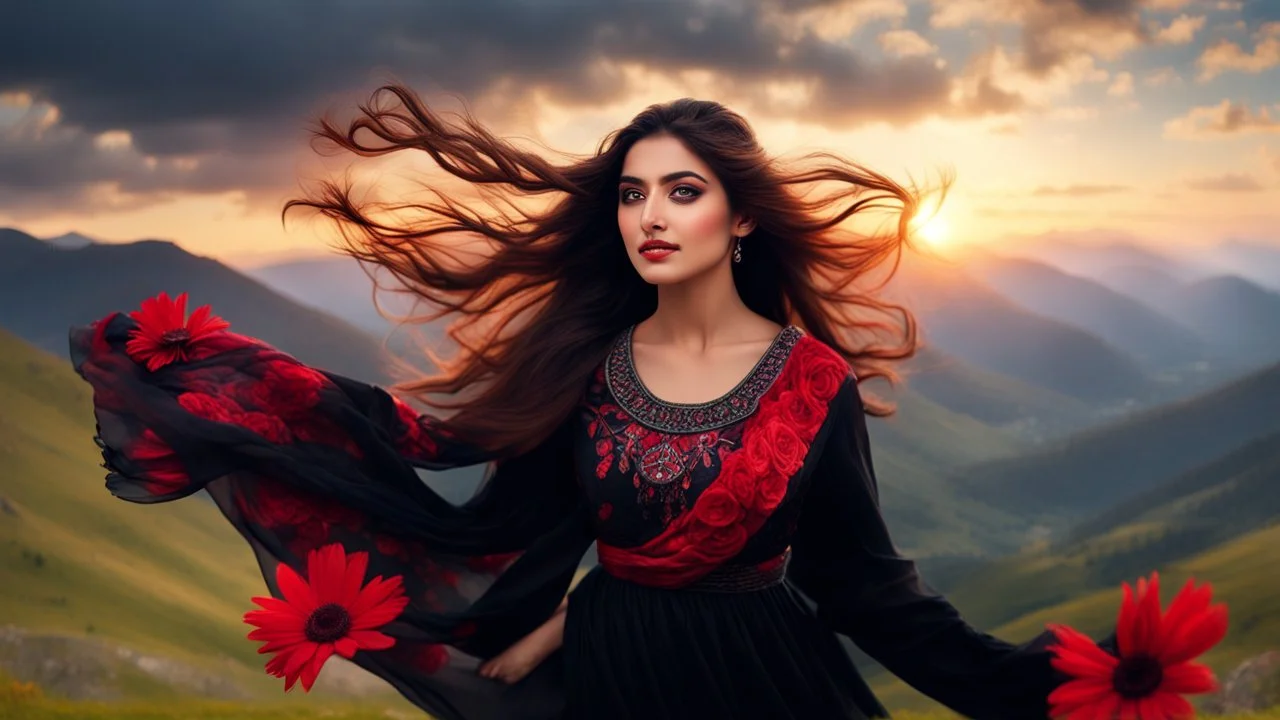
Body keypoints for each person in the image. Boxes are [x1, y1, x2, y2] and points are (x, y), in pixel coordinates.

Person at [72, 87, 1115, 720]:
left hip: (765, 682)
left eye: (681, 190)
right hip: (613, 685)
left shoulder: (812, 385)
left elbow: (867, 592)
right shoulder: (583, 369)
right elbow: (454, 480)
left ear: (740, 216)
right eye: (630, 192)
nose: (648, 216)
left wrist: (1049, 691)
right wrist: (221, 380)